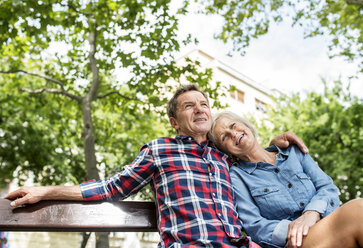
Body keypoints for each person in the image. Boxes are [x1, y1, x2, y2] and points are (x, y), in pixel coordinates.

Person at [5, 84, 307, 248]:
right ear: (175, 122)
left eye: (203, 104)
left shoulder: (223, 153)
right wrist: (46, 190)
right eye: (189, 106)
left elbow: (252, 155)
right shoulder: (160, 150)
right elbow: (110, 188)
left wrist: (272, 143)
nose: (200, 109)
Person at [209, 111, 363, 248]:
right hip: (297, 241)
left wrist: (312, 213)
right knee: (358, 210)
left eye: (233, 125)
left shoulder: (293, 151)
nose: (233, 133)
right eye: (224, 137)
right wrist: (295, 230)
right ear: (226, 152)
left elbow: (327, 186)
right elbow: (254, 225)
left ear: (246, 125)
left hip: (330, 222)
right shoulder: (237, 176)